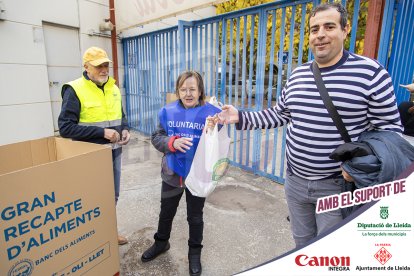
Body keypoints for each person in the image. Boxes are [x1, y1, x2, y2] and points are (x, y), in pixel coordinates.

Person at [211, 3, 402, 248]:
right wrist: (239, 116)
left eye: (329, 26)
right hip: (295, 183)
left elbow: (390, 133)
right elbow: (280, 114)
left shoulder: (371, 73)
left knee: (330, 251)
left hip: (337, 186)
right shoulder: (297, 75)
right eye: (314, 29)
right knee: (302, 246)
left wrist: (358, 167)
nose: (320, 34)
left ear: (345, 30)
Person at [141, 71, 220, 276]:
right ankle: (161, 243)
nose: (188, 93)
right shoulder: (167, 111)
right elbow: (156, 136)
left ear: (200, 90)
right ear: (177, 91)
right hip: (172, 173)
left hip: (198, 176)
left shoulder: (211, 113)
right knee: (166, 212)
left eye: (192, 89)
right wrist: (171, 142)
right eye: (183, 89)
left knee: (195, 217)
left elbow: (217, 140)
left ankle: (194, 254)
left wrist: (215, 127)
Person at [58, 46, 130, 245]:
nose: (104, 70)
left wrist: (125, 129)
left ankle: (108, 232)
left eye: (106, 65)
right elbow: (65, 128)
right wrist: (102, 133)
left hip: (114, 153)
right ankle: (90, 238)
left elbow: (120, 116)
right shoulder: (74, 90)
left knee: (111, 196)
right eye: (99, 66)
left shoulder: (113, 88)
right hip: (89, 156)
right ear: (86, 67)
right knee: (91, 198)